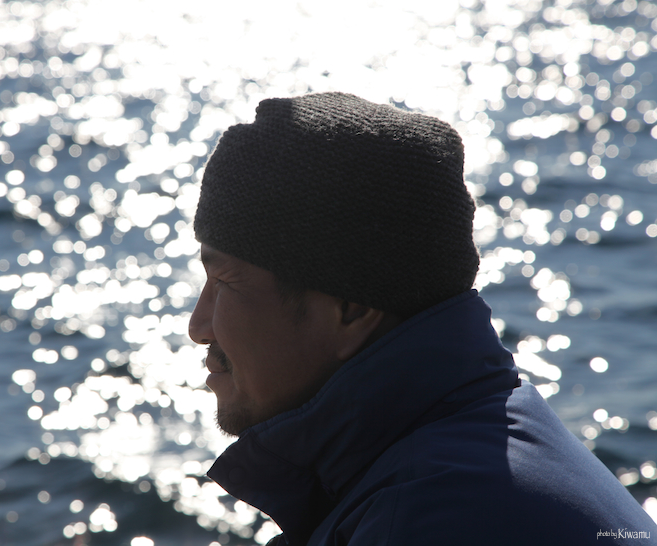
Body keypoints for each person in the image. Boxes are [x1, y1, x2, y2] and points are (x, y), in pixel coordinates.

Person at [188, 92, 657, 545]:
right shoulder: (479, 441)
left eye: (225, 282)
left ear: (352, 309)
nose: (198, 327)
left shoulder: (432, 519)